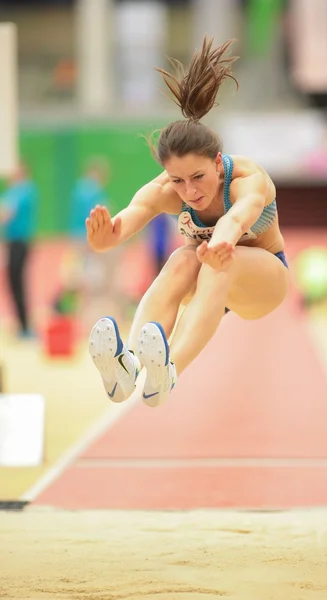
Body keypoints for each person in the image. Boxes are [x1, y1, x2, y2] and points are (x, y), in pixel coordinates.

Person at [86, 37, 289, 407]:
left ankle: (169, 371)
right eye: (177, 180)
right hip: (211, 278)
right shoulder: (166, 189)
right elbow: (127, 220)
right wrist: (105, 240)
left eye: (197, 177)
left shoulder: (247, 179)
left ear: (216, 162)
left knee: (218, 263)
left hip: (265, 281)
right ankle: (128, 366)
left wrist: (220, 243)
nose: (189, 191)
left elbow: (239, 216)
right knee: (181, 260)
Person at [0, 162, 37, 338]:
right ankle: (21, 324)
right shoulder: (14, 191)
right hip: (12, 242)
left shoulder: (23, 189)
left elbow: (7, 213)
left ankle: (24, 325)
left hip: (19, 242)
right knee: (13, 283)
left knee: (17, 283)